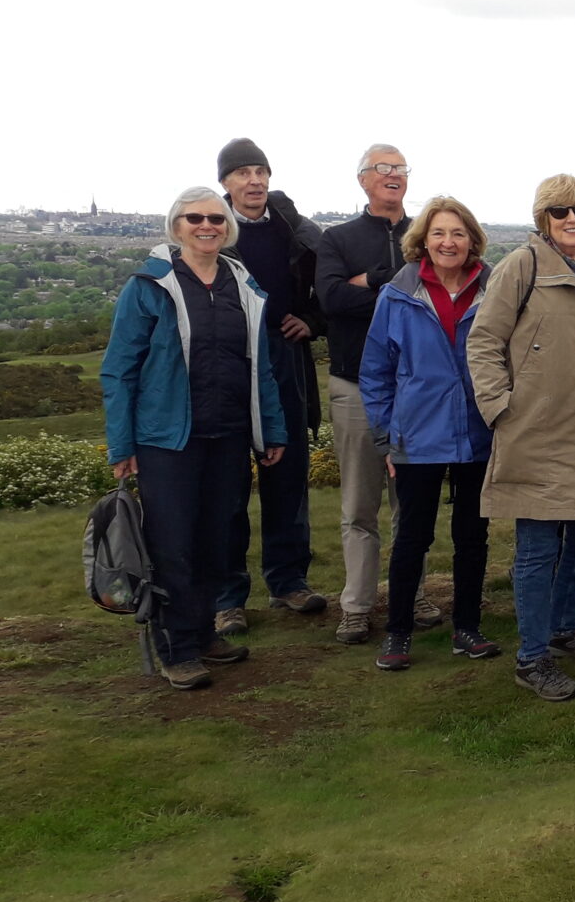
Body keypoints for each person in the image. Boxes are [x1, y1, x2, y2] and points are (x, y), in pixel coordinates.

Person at [101, 188, 286, 689]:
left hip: (227, 433)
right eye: (194, 218)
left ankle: (203, 633)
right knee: (172, 544)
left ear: (228, 226)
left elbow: (260, 367)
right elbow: (119, 371)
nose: (207, 225)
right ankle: (175, 647)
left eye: (216, 218)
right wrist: (122, 446)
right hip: (166, 439)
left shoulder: (242, 285)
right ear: (176, 226)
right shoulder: (150, 286)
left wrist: (270, 428)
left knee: (216, 538)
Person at [467, 174, 575, 701]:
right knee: (538, 548)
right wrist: (500, 409)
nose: (574, 219)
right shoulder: (523, 266)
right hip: (536, 429)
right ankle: (532, 658)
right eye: (561, 212)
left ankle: (566, 628)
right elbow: (484, 341)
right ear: (544, 219)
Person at [358, 195, 500, 670]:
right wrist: (386, 437)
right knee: (412, 538)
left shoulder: (494, 288)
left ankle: (468, 628)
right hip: (416, 437)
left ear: (472, 240)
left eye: (458, 233)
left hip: (478, 433)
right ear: (423, 240)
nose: (448, 242)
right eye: (438, 233)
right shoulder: (397, 295)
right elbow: (376, 373)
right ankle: (398, 632)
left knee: (472, 538)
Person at [316, 144, 440, 643]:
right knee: (359, 505)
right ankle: (357, 606)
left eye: (400, 169)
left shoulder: (427, 236)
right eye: (383, 169)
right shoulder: (339, 238)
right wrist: (387, 283)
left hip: (417, 393)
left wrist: (365, 284)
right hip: (354, 387)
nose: (393, 175)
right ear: (363, 179)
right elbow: (330, 299)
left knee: (413, 502)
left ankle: (415, 594)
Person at [213, 138, 327, 635]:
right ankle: (227, 597)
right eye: (242, 173)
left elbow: (330, 285)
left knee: (288, 477)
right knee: (227, 487)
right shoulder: (210, 229)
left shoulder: (295, 230)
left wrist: (311, 320)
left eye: (260, 171)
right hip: (230, 363)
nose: (254, 180)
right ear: (225, 184)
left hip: (285, 359)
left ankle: (288, 582)